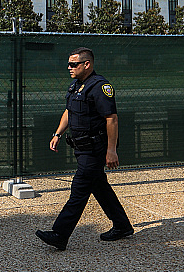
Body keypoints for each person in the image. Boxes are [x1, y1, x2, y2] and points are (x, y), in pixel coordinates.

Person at [35, 47, 133, 251]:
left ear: (86, 64)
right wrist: (57, 134)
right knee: (99, 187)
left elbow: (112, 119)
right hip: (81, 148)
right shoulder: (76, 86)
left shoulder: (100, 86)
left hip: (95, 149)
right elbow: (69, 112)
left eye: (73, 64)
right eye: (69, 64)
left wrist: (111, 150)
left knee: (78, 191)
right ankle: (122, 226)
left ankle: (60, 234)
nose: (69, 68)